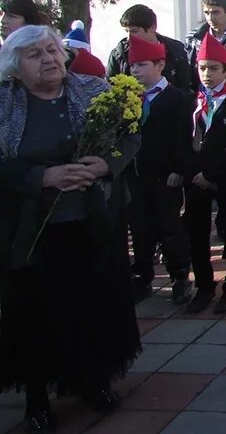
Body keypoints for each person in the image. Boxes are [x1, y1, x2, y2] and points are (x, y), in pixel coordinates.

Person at [0, 26, 141, 432]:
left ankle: (93, 380)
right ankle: (38, 400)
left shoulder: (95, 90)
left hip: (92, 222)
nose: (48, 59)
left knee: (94, 304)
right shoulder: (5, 103)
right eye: (33, 54)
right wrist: (42, 178)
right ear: (15, 67)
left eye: (52, 49)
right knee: (35, 314)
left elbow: (130, 137)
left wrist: (106, 164)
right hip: (33, 232)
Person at [125, 35, 195, 306]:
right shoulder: (128, 97)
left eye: (141, 65)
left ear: (160, 65)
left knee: (170, 227)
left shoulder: (179, 98)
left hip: (166, 175)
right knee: (140, 227)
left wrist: (179, 169)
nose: (136, 71)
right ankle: (142, 277)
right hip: (136, 174)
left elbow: (184, 138)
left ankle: (179, 276)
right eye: (132, 66)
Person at [183, 33, 226, 314]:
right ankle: (204, 285)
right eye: (202, 68)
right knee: (196, 234)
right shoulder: (192, 101)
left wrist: (212, 173)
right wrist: (192, 171)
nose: (207, 74)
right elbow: (183, 140)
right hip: (195, 178)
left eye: (213, 68)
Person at [107, 4, 192, 90]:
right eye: (126, 31)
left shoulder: (175, 51)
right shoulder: (118, 55)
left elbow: (185, 88)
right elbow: (110, 89)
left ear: (153, 28)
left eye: (134, 31)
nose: (129, 37)